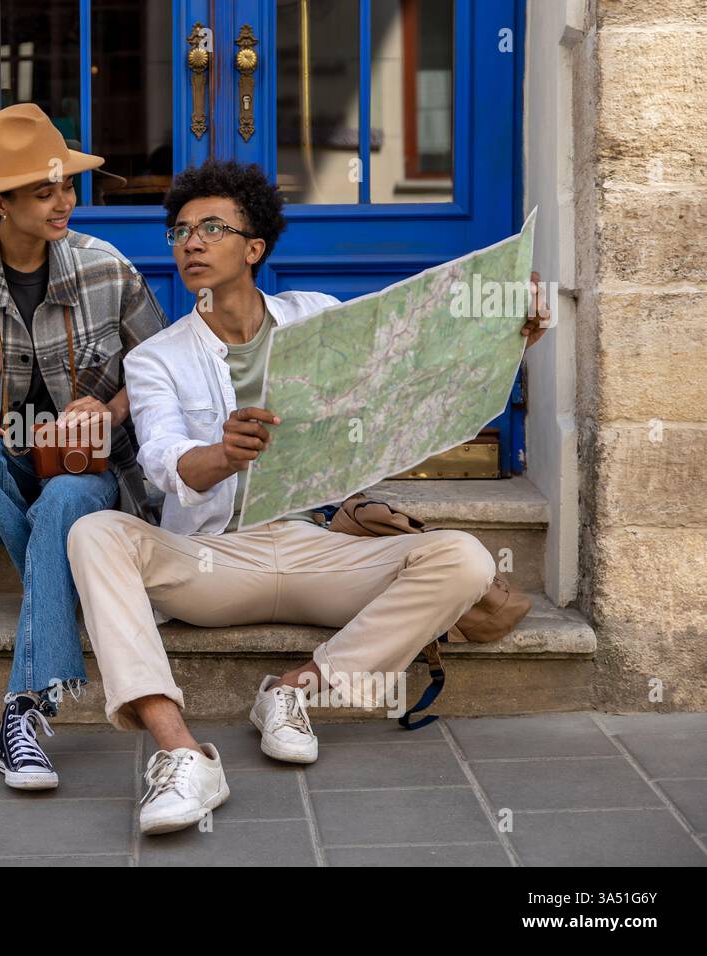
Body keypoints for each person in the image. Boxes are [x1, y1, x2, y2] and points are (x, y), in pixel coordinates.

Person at [67, 158, 550, 833]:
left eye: (212, 228)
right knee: (94, 533)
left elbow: (411, 374)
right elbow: (163, 463)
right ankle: (181, 754)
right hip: (214, 562)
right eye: (180, 231)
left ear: (254, 246)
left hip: (316, 549)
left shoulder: (316, 317)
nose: (191, 243)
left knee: (465, 558)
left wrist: (506, 330)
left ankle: (295, 692)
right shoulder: (157, 358)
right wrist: (219, 454)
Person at [0, 103, 167, 790]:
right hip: (4, 469)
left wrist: (105, 412)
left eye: (66, 187)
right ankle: (62, 584)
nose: (64, 202)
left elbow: (161, 370)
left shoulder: (106, 270)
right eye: (45, 192)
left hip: (89, 472)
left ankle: (22, 712)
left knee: (69, 497)